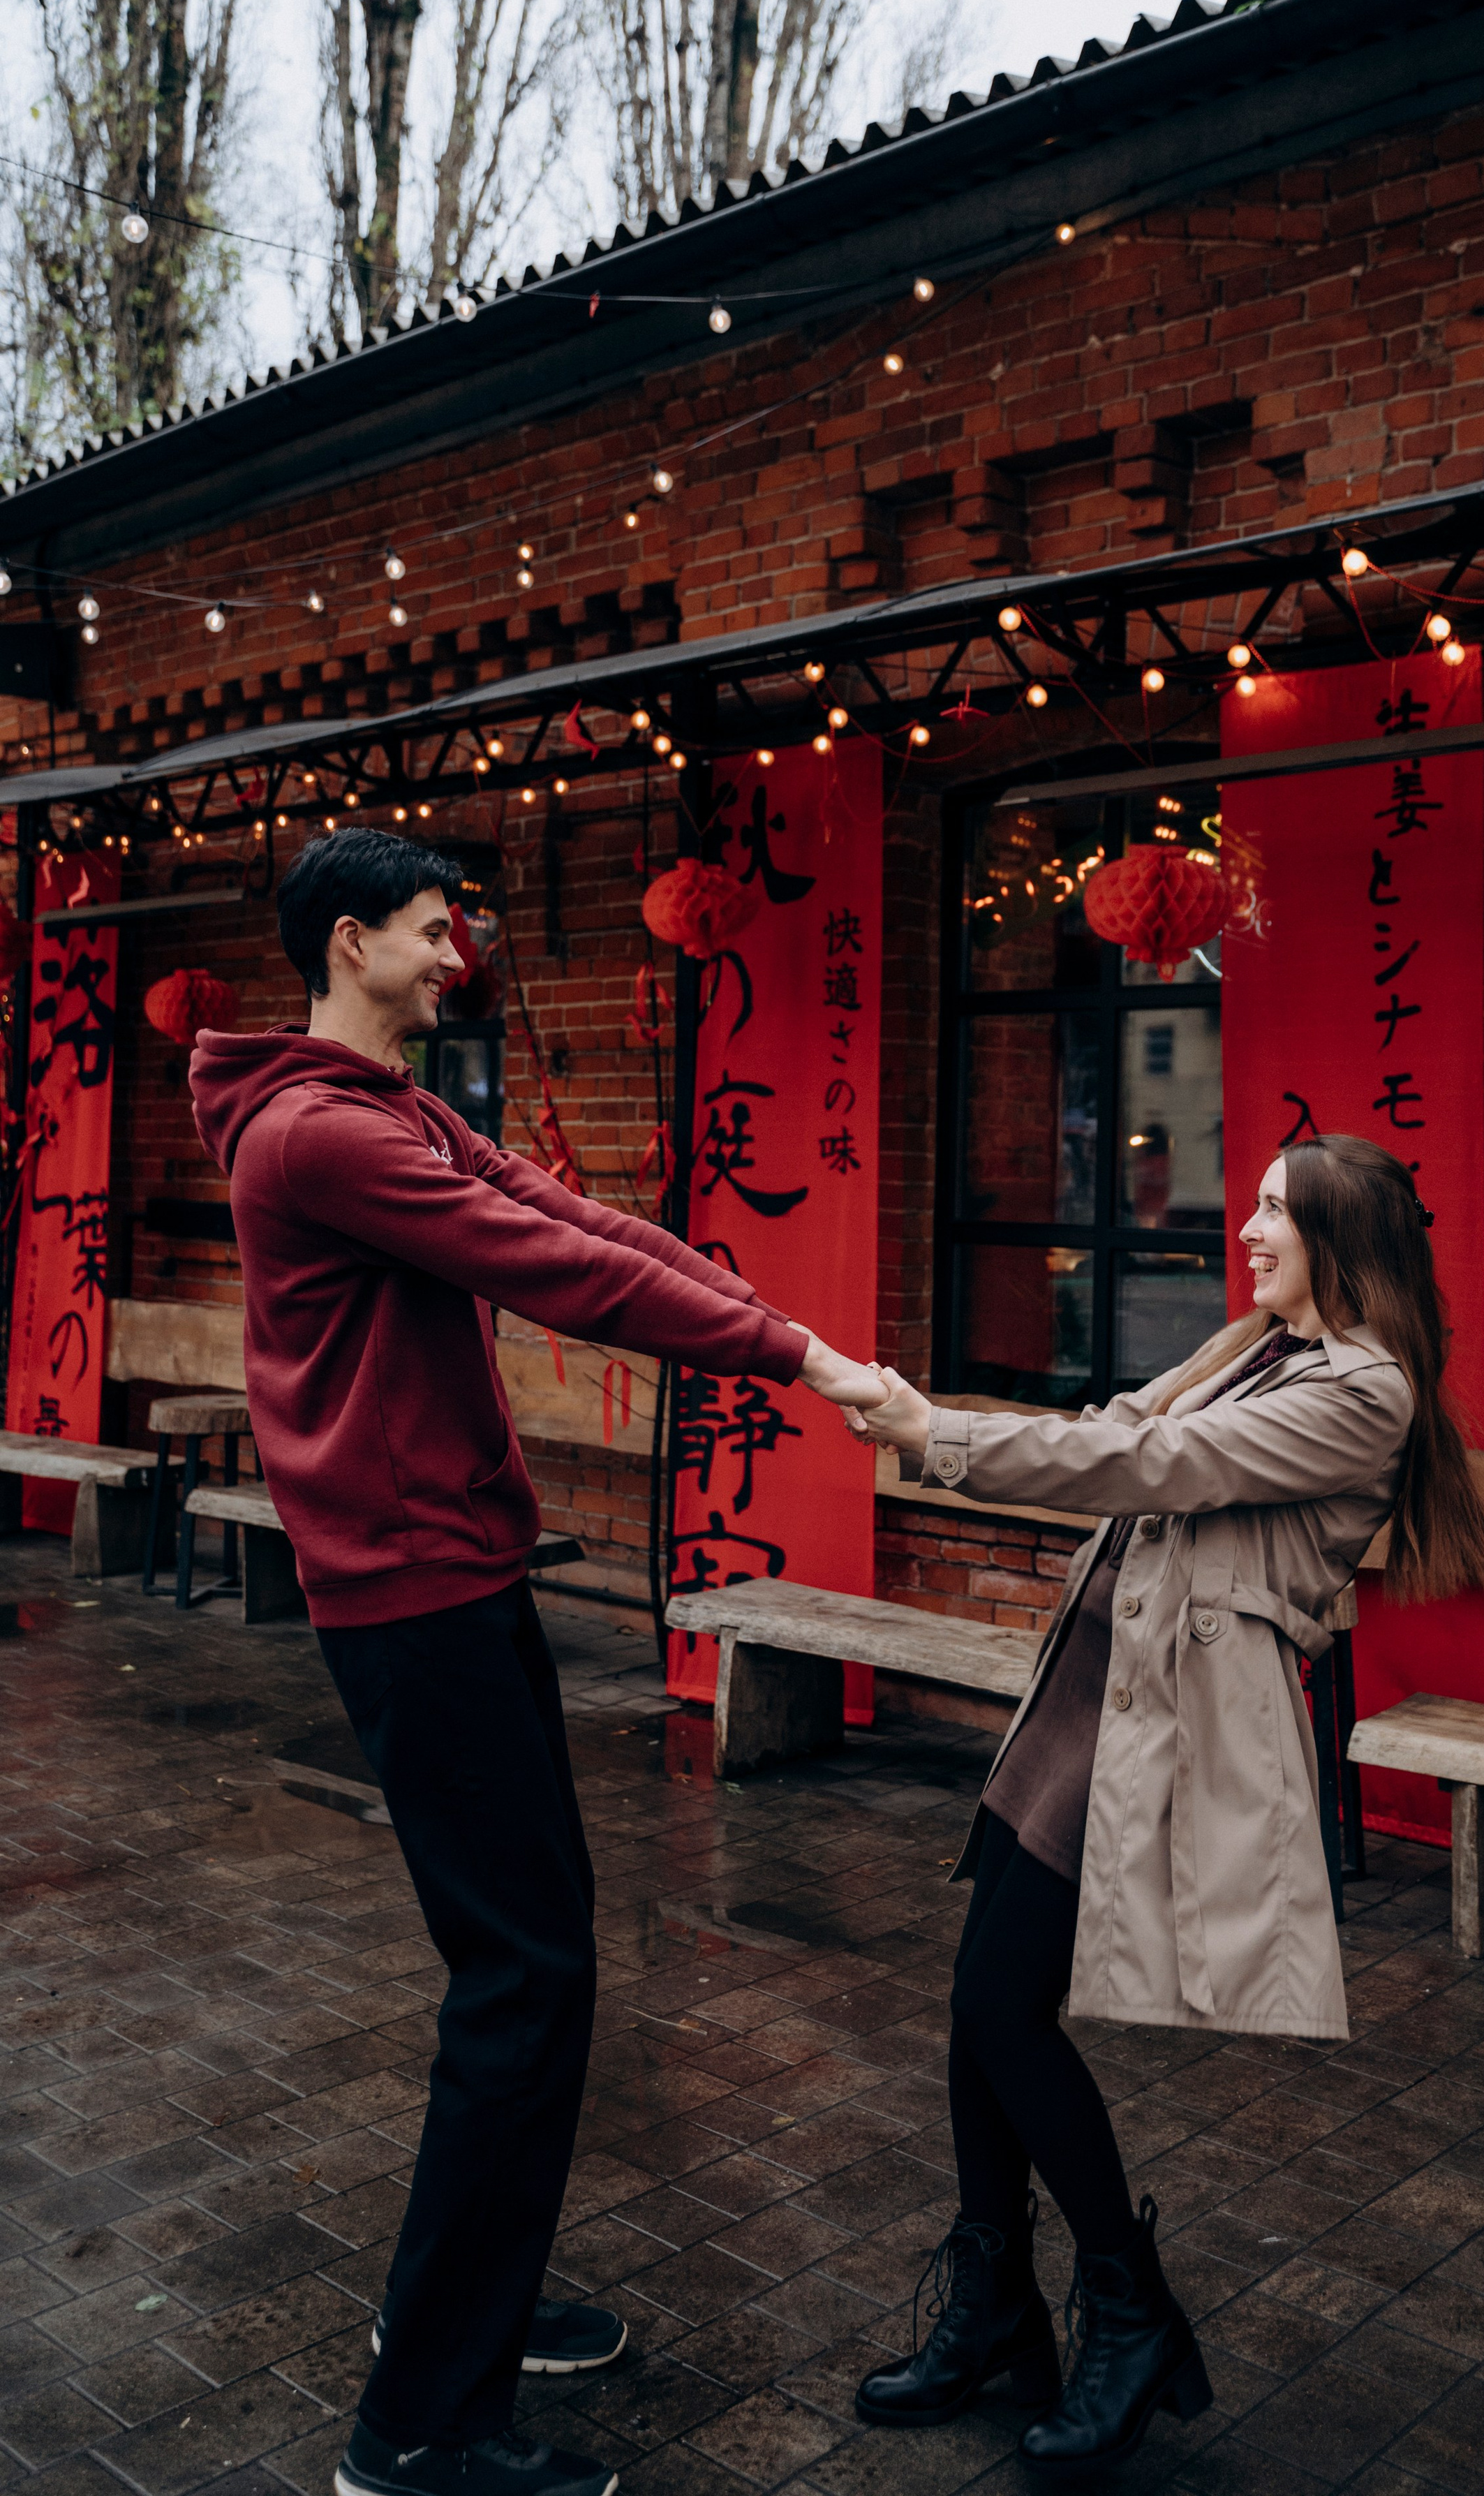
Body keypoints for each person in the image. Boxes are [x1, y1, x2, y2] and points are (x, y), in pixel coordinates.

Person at [189, 831, 884, 2496]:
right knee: (525, 1980)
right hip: (408, 1596)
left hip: (458, 1569)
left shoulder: (400, 1115)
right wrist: (803, 1359)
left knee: (537, 1961)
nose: (457, 959)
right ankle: (418, 2422)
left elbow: (568, 1211)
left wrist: (771, 1322)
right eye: (433, 936)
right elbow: (555, 1273)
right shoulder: (314, 1132)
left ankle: (460, 2309)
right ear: (348, 944)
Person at [849, 1135, 1484, 2471]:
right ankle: (994, 2315)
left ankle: (1129, 2315)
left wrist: (940, 1441)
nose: (1248, 1230)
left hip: (1162, 1721)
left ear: (1341, 1235)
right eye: (1255, 1205)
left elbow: (1158, 1471)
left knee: (1002, 2012)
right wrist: (948, 1427)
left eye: (1274, 1210)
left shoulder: (1361, 1390)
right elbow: (1124, 1430)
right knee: (984, 2004)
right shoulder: (1258, 1345)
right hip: (1098, 1689)